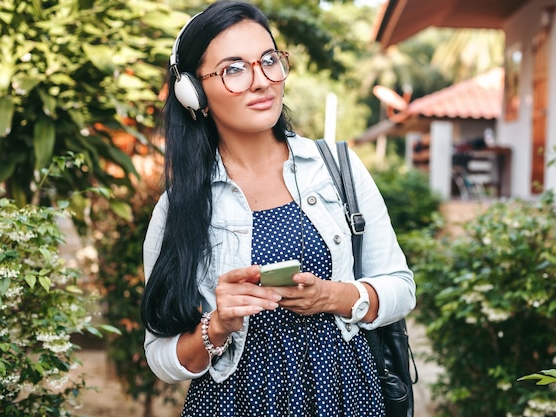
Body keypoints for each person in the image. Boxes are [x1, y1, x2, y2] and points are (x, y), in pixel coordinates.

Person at [140, 1, 416, 415]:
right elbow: (160, 357)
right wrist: (216, 327)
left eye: (269, 61)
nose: (261, 81)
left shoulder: (337, 168)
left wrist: (334, 296)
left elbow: (400, 287)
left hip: (344, 394)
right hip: (236, 402)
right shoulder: (178, 208)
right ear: (194, 92)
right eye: (234, 69)